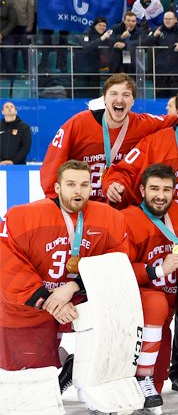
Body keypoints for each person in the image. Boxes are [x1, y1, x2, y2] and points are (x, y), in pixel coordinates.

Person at [0, 161, 128, 378]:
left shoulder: (111, 218)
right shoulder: (21, 217)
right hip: (34, 302)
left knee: (116, 320)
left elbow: (116, 264)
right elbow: (7, 266)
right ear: (57, 188)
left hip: (82, 297)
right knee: (32, 377)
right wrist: (46, 301)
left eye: (84, 185)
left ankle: (88, 373)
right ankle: (60, 362)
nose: (78, 191)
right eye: (71, 184)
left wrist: (73, 286)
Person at [39, 74, 178, 203]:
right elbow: (52, 165)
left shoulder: (144, 124)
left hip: (115, 204)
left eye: (126, 95)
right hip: (80, 202)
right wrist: (55, 201)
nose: (119, 99)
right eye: (114, 94)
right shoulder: (78, 124)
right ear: (104, 99)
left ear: (133, 101)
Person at [122, 164, 178, 415]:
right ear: (142, 190)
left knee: (158, 384)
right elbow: (120, 268)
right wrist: (157, 271)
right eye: (154, 189)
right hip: (140, 311)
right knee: (155, 301)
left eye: (166, 189)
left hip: (165, 318)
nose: (160, 196)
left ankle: (154, 376)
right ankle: (141, 376)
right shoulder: (128, 219)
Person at [103, 86, 178, 215]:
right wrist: (114, 184)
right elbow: (124, 170)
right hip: (161, 221)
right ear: (177, 113)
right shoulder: (154, 142)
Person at [142, 11, 178, 100]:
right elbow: (144, 43)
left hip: (177, 72)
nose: (167, 21)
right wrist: (154, 36)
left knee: (177, 99)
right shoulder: (158, 30)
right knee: (160, 99)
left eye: (170, 19)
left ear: (175, 20)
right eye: (165, 19)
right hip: (161, 72)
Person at [109, 12, 142, 76]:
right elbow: (109, 39)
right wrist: (121, 37)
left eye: (133, 21)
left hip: (132, 62)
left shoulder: (139, 30)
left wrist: (125, 45)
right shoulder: (116, 27)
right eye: (128, 20)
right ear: (124, 21)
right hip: (116, 61)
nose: (131, 23)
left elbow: (142, 42)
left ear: (136, 22)